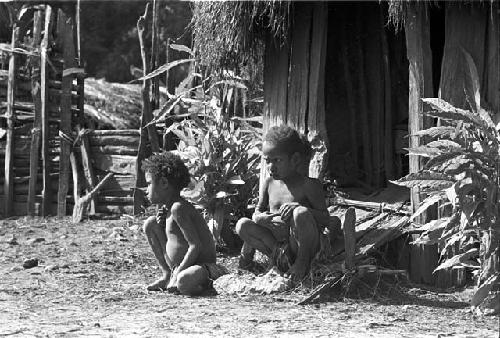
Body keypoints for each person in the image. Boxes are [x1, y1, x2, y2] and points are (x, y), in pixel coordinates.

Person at [235, 125, 355, 280]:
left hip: (303, 246)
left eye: (277, 160)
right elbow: (258, 211)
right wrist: (259, 218)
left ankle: (302, 263)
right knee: (242, 224)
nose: (271, 167)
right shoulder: (269, 184)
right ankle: (280, 261)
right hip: (278, 246)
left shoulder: (309, 186)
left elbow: (325, 218)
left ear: (295, 159)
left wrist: (300, 208)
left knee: (301, 213)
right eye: (268, 161)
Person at [142, 152, 225, 295]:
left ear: (163, 183)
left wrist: (179, 271)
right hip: (179, 268)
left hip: (202, 268)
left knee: (184, 281)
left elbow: (195, 246)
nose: (146, 190)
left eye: (149, 184)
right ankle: (167, 275)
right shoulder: (168, 209)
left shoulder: (178, 208)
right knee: (150, 224)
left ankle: (202, 285)